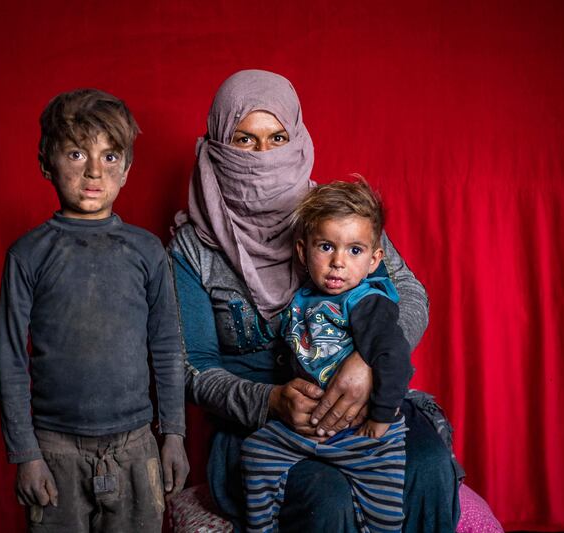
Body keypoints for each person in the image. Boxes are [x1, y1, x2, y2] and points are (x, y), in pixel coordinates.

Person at [168, 69, 460, 532]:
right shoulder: (193, 247)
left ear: (298, 138)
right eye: (245, 140)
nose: (264, 156)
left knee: (428, 465)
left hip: (358, 404)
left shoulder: (334, 217)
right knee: (328, 498)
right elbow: (191, 365)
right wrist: (268, 400)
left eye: (278, 137)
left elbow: (406, 291)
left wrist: (367, 364)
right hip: (261, 427)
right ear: (218, 146)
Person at [0, 88, 188, 533]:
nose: (95, 172)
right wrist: (25, 453)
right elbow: (10, 358)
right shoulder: (28, 254)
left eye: (111, 156)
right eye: (78, 154)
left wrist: (173, 435)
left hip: (136, 447)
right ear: (47, 162)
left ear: (128, 168)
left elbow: (167, 346)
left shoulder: (147, 252)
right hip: (55, 449)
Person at [242, 179, 411, 533]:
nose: (337, 262)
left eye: (354, 251)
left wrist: (380, 418)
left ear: (374, 259)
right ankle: (262, 527)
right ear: (303, 253)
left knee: (383, 516)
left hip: (364, 434)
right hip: (308, 427)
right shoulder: (304, 298)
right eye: (326, 247)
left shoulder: (366, 302)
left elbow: (395, 357)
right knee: (256, 453)